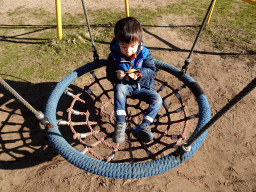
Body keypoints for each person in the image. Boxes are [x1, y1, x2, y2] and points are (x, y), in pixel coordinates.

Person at [106, 17, 162, 143]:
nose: (128, 51)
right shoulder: (114, 55)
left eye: (132, 46)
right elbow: (109, 73)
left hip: (143, 87)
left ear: (139, 42)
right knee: (119, 88)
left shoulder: (145, 53)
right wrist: (116, 75)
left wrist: (140, 73)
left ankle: (145, 125)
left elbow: (152, 70)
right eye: (123, 46)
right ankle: (120, 124)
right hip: (125, 85)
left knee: (157, 99)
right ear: (118, 42)